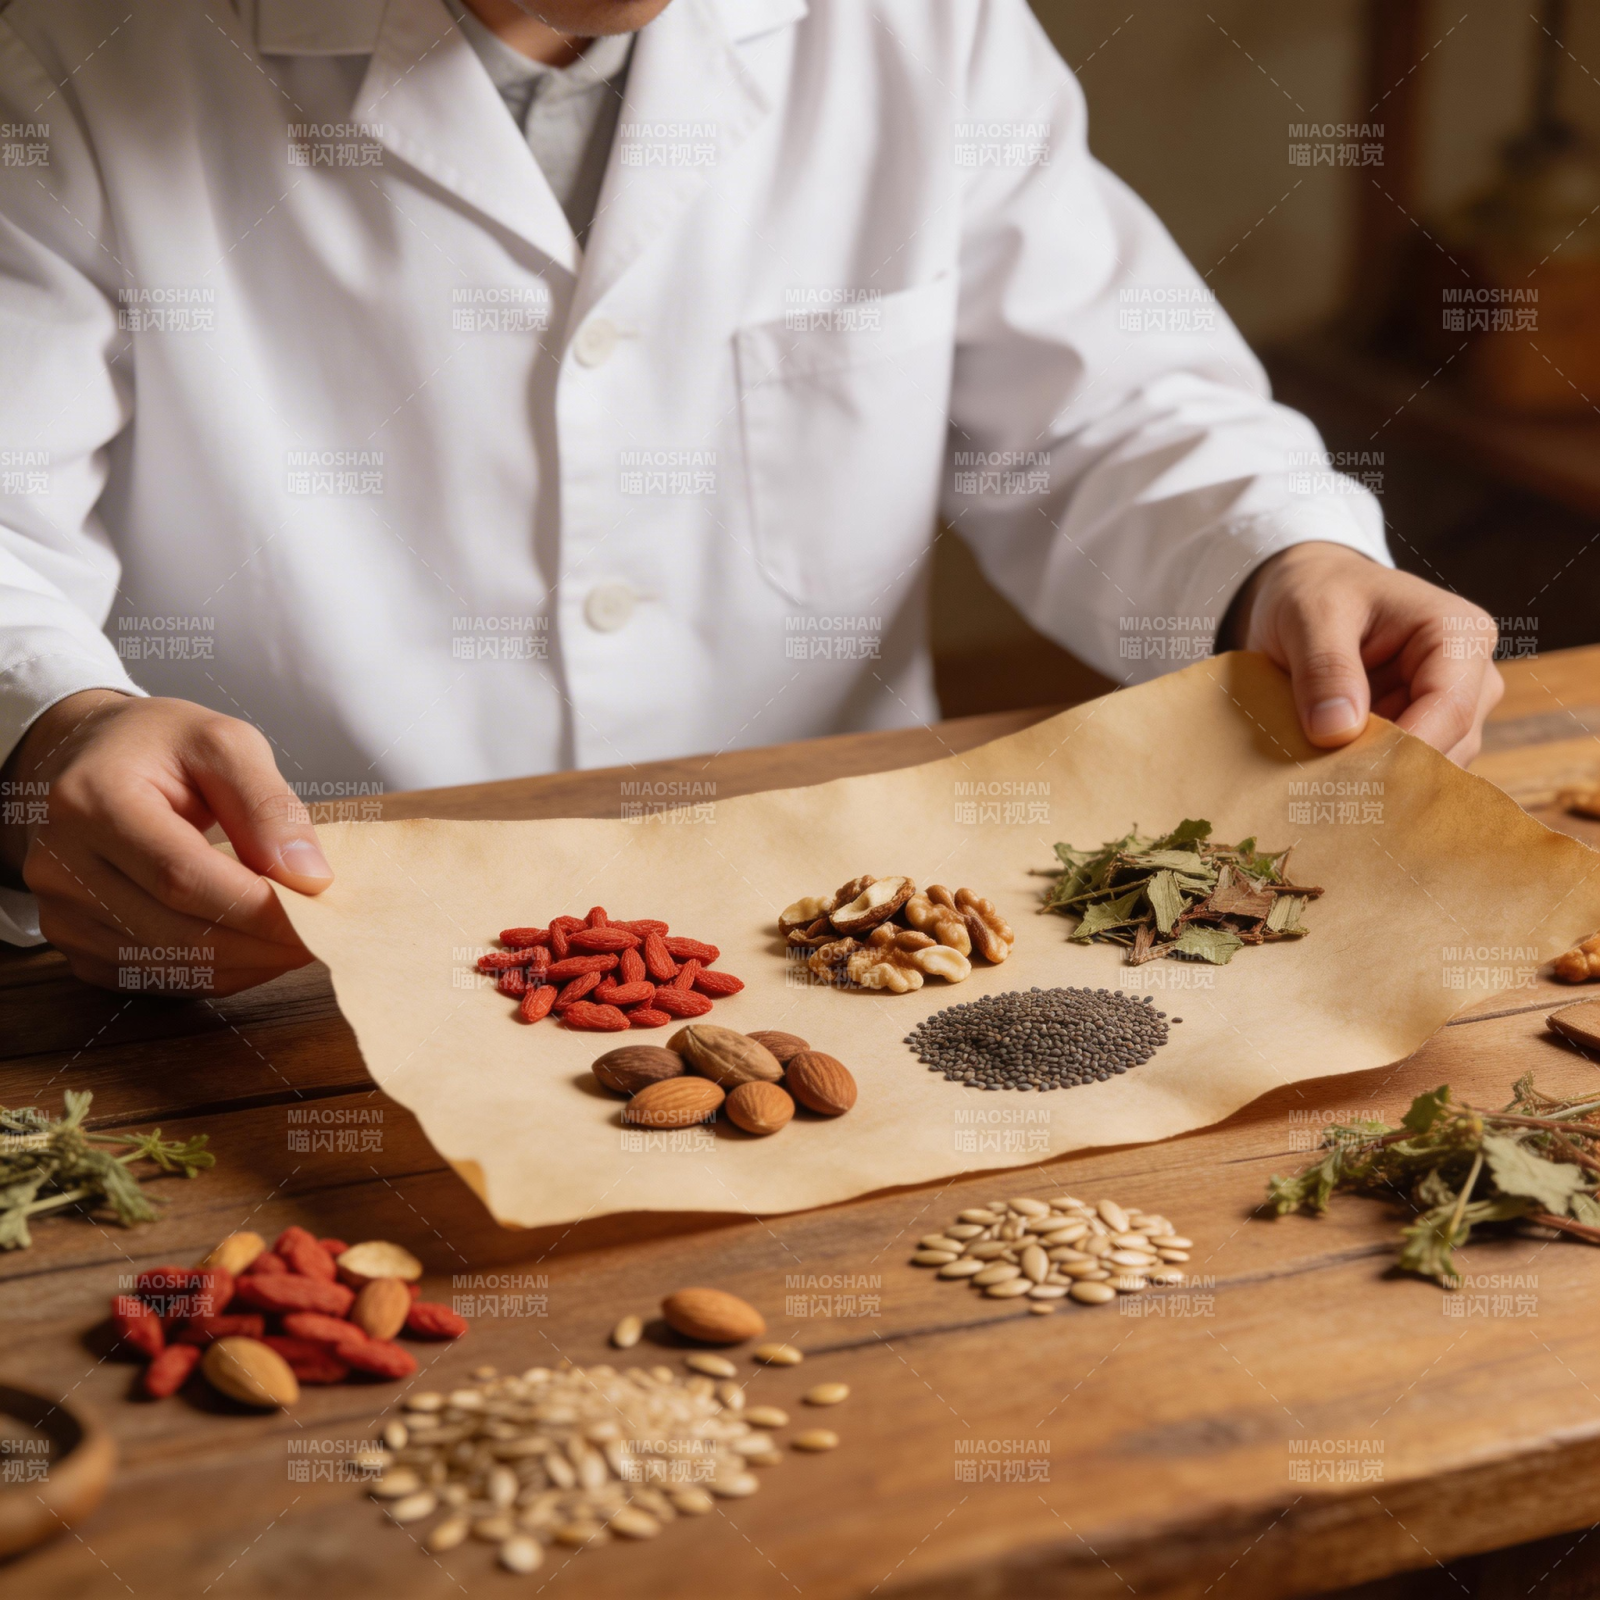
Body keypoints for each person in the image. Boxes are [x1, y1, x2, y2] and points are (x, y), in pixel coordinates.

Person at [0, 0, 1502, 994]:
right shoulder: (70, 45)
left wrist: (1278, 559)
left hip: (841, 935)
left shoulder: (921, 28)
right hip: (288, 946)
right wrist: (53, 725)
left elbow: (1098, 407)